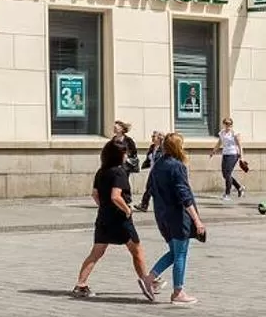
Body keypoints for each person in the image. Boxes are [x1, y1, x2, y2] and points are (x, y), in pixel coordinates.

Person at [71, 138, 157, 301]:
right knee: (136, 250)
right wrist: (127, 209)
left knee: (96, 252)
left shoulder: (101, 171)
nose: (127, 156)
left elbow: (95, 194)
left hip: (104, 216)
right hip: (119, 218)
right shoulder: (119, 172)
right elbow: (116, 196)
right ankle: (146, 281)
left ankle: (80, 284)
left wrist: (103, 206)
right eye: (125, 153)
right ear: (119, 155)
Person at [146, 130, 206, 306]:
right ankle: (178, 292)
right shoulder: (177, 166)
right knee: (180, 254)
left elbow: (150, 188)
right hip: (178, 216)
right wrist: (197, 220)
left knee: (173, 252)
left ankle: (149, 278)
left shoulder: (158, 164)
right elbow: (184, 196)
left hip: (162, 214)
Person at [136, 131, 166, 211]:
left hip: (160, 172)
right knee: (149, 188)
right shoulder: (152, 147)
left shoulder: (163, 148)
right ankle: (144, 205)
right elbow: (149, 158)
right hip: (153, 171)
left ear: (159, 138)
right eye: (152, 136)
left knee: (158, 189)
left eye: (154, 136)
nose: (152, 138)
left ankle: (162, 204)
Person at [216, 118, 243, 200]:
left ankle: (227, 194)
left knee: (228, 174)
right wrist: (213, 151)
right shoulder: (222, 133)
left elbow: (240, 145)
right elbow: (219, 143)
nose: (228, 125)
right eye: (226, 124)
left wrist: (242, 157)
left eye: (230, 124)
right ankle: (239, 187)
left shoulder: (235, 133)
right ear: (224, 124)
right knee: (225, 175)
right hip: (225, 154)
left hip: (233, 155)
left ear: (232, 125)